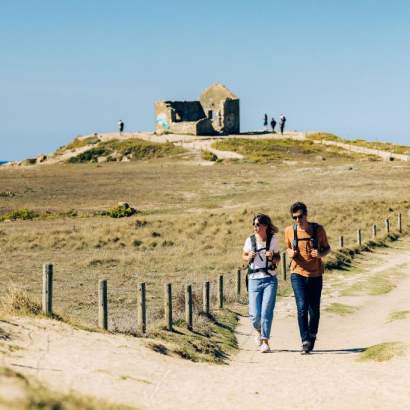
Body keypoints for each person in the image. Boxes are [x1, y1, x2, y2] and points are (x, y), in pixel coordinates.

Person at [285, 202, 331, 354]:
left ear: (306, 214)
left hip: (316, 274)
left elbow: (327, 248)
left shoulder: (318, 230)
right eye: (294, 218)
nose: (298, 220)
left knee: (314, 310)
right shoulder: (289, 231)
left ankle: (312, 335)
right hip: (297, 272)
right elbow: (288, 248)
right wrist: (290, 253)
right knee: (302, 306)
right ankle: (305, 340)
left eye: (300, 216)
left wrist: (320, 254)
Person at [243, 214, 281, 353]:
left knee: (266, 311)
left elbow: (278, 259)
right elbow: (244, 255)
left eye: (258, 224)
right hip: (253, 279)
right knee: (254, 315)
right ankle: (258, 330)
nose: (255, 227)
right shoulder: (250, 240)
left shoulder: (273, 240)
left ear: (265, 226)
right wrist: (249, 256)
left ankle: (265, 341)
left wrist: (272, 256)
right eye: (254, 224)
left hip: (270, 279)